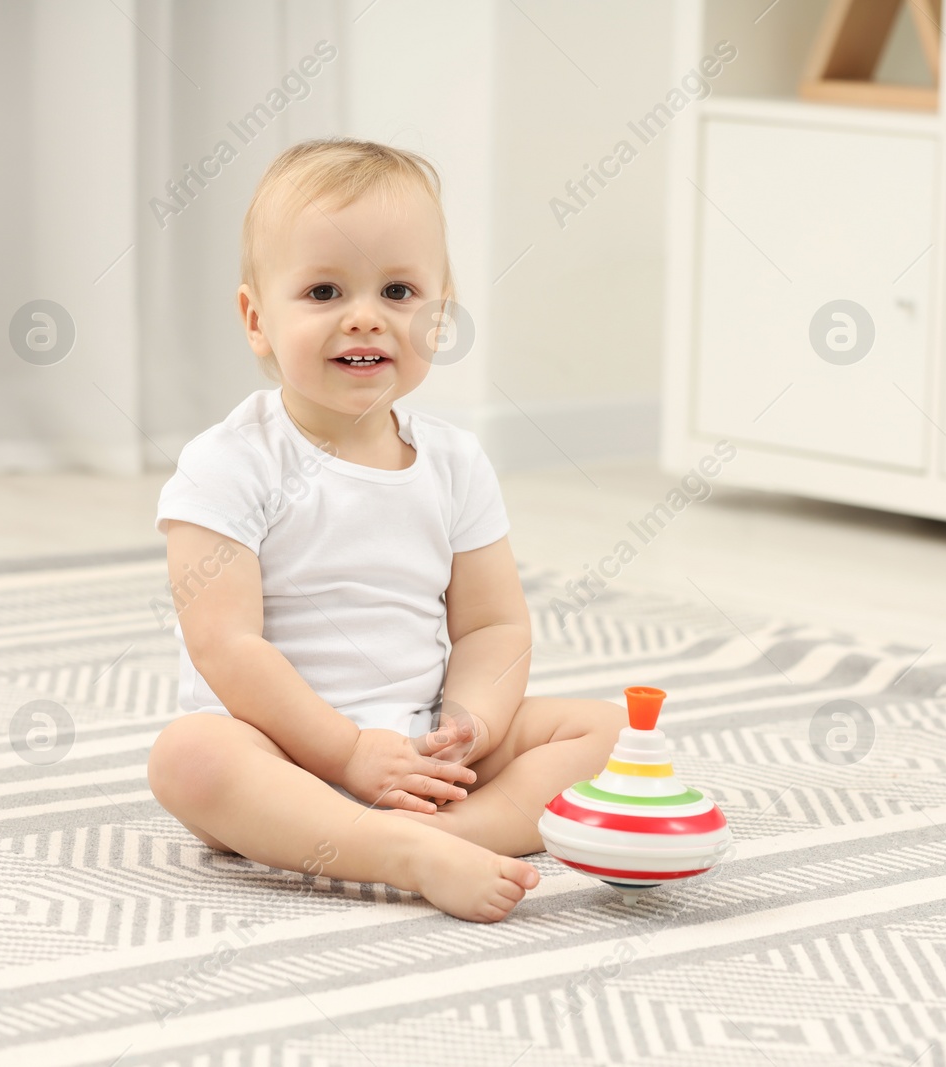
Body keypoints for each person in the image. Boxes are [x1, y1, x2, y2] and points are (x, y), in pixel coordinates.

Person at [147, 137, 626, 923]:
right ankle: (399, 850)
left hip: (420, 746)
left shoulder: (455, 462)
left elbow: (494, 623)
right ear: (256, 317)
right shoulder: (226, 464)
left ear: (439, 314)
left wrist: (470, 722)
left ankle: (458, 832)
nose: (365, 317)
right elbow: (226, 647)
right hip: (282, 754)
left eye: (399, 291)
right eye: (326, 290)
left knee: (606, 732)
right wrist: (344, 751)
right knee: (189, 756)